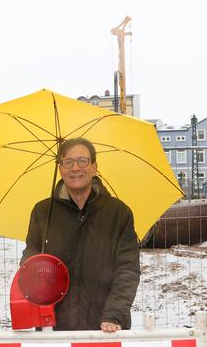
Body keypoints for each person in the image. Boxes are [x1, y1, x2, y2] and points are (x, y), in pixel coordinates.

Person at [21, 137, 140, 332]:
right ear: (60, 169)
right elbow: (29, 261)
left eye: (82, 161)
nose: (75, 168)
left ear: (94, 167)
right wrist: (39, 279)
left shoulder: (118, 213)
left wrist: (114, 314)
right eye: (68, 162)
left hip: (105, 327)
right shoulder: (43, 212)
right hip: (55, 326)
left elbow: (128, 270)